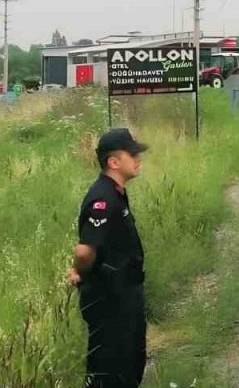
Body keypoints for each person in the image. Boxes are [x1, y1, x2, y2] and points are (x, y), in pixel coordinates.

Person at [67, 128, 150, 388]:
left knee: (130, 360)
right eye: (132, 154)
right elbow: (84, 250)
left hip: (124, 293)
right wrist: (78, 271)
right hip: (110, 297)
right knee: (110, 368)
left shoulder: (115, 192)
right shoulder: (103, 198)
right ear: (114, 162)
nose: (138, 159)